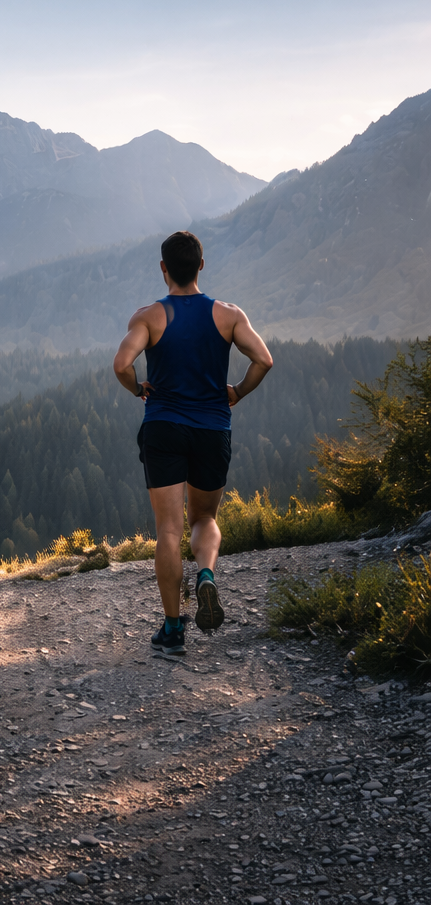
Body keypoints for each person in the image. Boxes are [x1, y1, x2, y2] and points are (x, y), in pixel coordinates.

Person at [112, 231, 273, 656]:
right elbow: (264, 360)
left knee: (168, 528)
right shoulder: (229, 315)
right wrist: (237, 391)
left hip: (163, 427)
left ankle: (172, 629)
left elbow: (122, 364)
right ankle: (205, 575)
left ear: (163, 269)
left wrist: (138, 389)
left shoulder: (148, 317)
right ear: (201, 265)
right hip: (212, 429)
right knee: (204, 517)